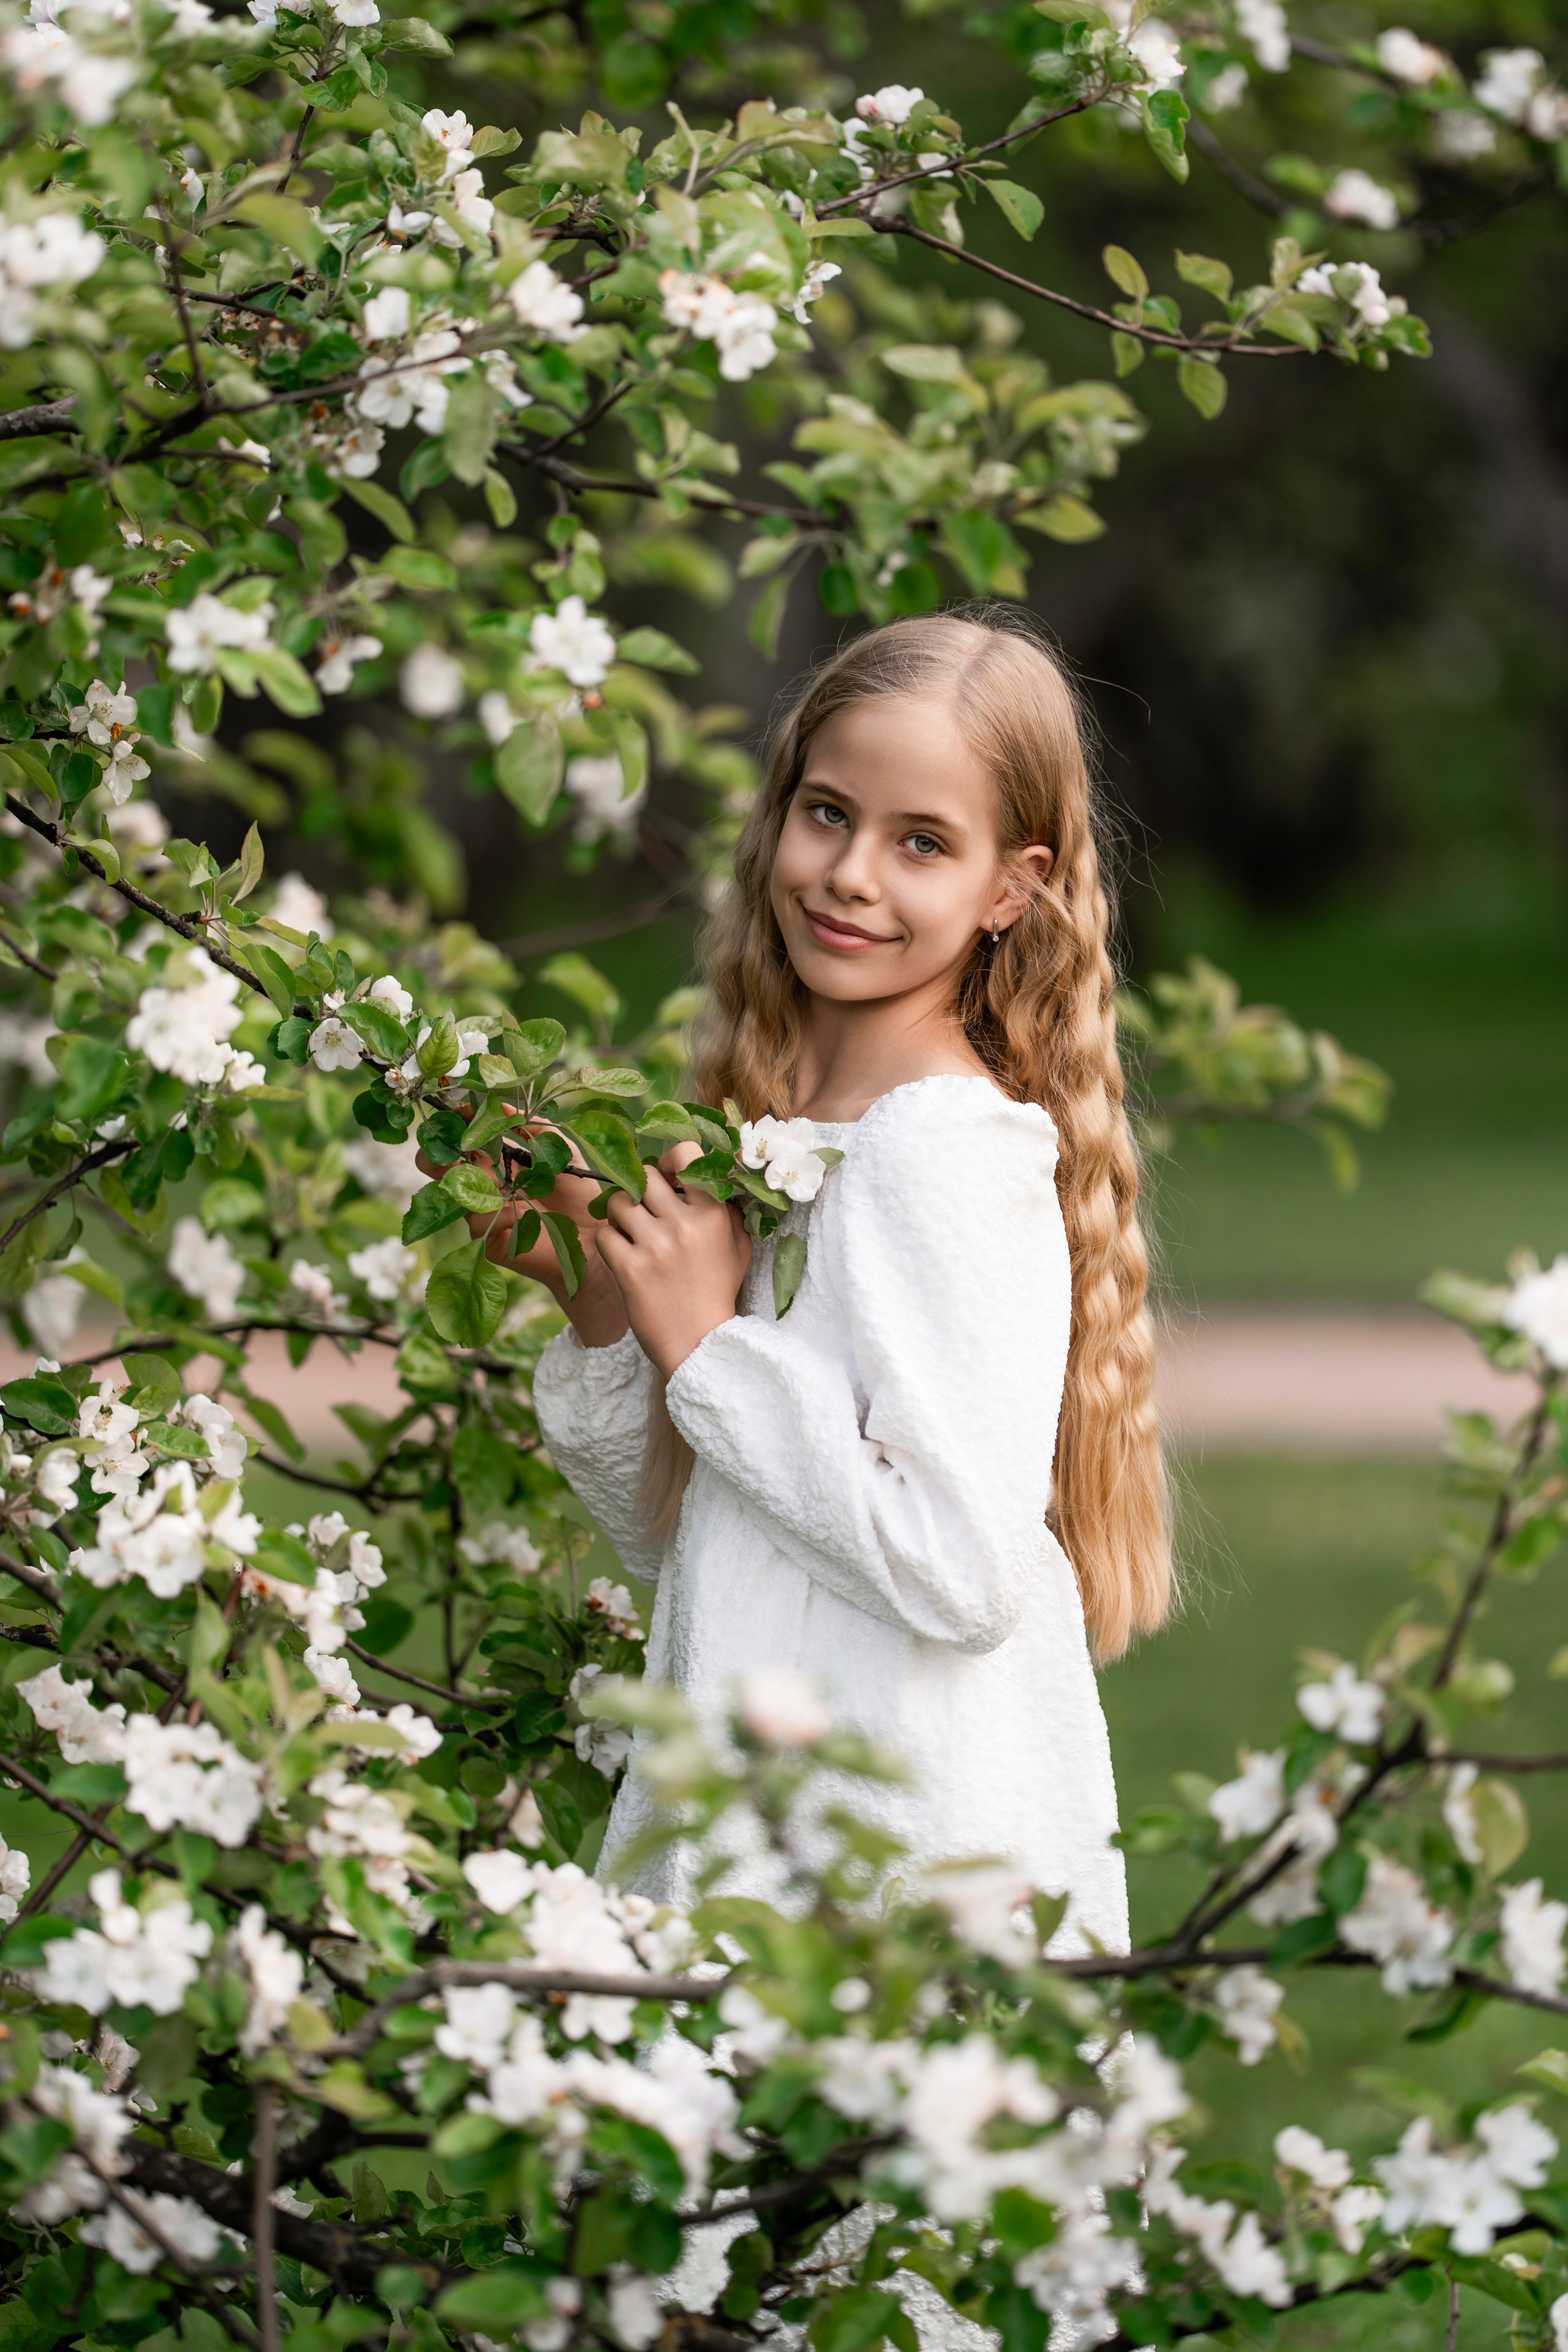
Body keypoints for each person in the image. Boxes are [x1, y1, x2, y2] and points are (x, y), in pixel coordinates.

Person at [481, 611, 1170, 1951]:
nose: (851, 875)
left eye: (922, 843)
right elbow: (709, 1546)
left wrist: (712, 1352)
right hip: (756, 1818)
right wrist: (607, 1306)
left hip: (892, 1864)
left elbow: (961, 1571)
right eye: (828, 814)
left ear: (1010, 888)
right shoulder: (785, 1138)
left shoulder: (939, 1152)